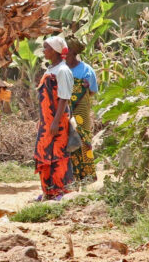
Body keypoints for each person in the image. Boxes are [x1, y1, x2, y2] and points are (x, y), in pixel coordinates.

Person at [34, 36, 74, 201]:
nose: (44, 51)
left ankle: (60, 191)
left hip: (57, 122)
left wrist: (56, 122)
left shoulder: (63, 71)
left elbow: (64, 98)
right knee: (44, 153)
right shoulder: (51, 69)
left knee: (58, 155)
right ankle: (47, 191)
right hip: (46, 122)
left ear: (56, 51)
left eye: (46, 48)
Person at [66, 37, 98, 186]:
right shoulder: (61, 69)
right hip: (64, 110)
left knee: (83, 139)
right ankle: (70, 175)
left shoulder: (86, 70)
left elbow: (92, 91)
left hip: (81, 110)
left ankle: (86, 175)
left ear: (72, 52)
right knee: (66, 139)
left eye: (66, 51)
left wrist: (77, 92)